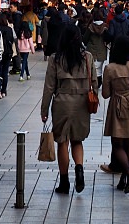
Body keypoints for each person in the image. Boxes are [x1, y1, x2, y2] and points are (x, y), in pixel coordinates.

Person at [40, 24, 96, 194]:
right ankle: (79, 169)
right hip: (81, 103)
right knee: (77, 140)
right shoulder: (87, 57)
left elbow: (49, 86)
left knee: (62, 141)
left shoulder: (56, 58)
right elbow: (94, 82)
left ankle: (64, 182)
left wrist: (44, 110)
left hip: (62, 102)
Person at [102, 36, 129, 193]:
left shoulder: (110, 68)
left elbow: (105, 93)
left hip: (118, 106)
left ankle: (128, 173)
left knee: (117, 144)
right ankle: (123, 178)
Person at [83, 11, 108, 89]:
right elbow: (108, 38)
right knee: (99, 68)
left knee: (91, 68)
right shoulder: (105, 27)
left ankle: (92, 82)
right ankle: (99, 82)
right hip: (101, 49)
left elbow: (85, 39)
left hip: (91, 49)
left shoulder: (90, 27)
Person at [0, 14, 15, 98]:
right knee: (5, 71)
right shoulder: (9, 29)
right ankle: (4, 90)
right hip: (8, 52)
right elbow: (13, 39)